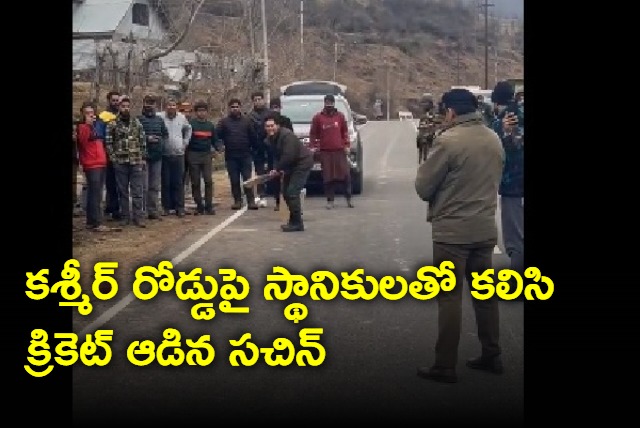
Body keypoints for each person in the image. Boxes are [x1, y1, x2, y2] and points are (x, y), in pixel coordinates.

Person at [414, 88, 505, 383]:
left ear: (451, 112)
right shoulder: (493, 138)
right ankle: (492, 354)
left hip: (452, 233)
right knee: (485, 296)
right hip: (485, 230)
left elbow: (424, 187)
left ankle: (444, 365)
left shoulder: (448, 142)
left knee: (449, 298)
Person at [491, 81, 524, 279]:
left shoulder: (504, 119)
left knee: (515, 238)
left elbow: (504, 146)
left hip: (513, 185)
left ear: (497, 102)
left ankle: (518, 282)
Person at [265, 112, 313, 232]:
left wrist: (277, 169)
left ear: (278, 126)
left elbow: (288, 155)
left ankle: (298, 223)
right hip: (290, 165)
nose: (270, 128)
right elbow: (276, 157)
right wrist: (275, 168)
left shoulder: (287, 135)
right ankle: (292, 220)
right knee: (285, 192)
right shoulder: (270, 139)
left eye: (272, 125)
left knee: (292, 191)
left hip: (302, 163)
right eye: (268, 126)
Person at [105, 95, 147, 228]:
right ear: (119, 107)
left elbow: (142, 140)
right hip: (120, 162)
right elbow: (108, 142)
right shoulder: (112, 123)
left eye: (128, 106)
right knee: (122, 191)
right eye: (123, 106)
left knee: (137, 191)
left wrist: (143, 158)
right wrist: (114, 159)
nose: (125, 108)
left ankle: (138, 217)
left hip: (135, 161)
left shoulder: (136, 122)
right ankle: (125, 217)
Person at [309, 94, 354, 209]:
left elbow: (345, 132)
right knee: (328, 178)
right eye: (327, 103)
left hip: (339, 151)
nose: (329, 105)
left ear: (334, 103)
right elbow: (313, 134)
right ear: (324, 103)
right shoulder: (318, 118)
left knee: (345, 176)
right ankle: (330, 200)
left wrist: (347, 145)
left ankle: (348, 198)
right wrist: (313, 146)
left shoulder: (340, 116)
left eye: (331, 103)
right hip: (325, 152)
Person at [216, 98, 259, 210]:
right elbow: (217, 136)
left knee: (247, 179)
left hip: (245, 155)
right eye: (232, 107)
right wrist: (220, 147)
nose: (235, 109)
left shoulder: (247, 121)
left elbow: (253, 137)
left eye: (237, 106)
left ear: (240, 107)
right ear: (229, 108)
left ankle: (251, 201)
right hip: (231, 157)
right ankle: (237, 201)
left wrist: (255, 151)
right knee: (234, 180)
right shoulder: (224, 122)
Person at [76, 102, 111, 232]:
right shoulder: (82, 127)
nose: (91, 115)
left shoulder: (97, 126)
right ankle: (96, 222)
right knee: (95, 194)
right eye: (87, 113)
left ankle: (91, 221)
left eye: (92, 113)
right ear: (83, 114)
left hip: (101, 162)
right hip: (91, 164)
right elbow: (83, 143)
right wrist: (87, 125)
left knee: (95, 193)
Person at [158, 98, 192, 217]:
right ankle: (166, 207)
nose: (171, 107)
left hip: (179, 154)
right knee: (166, 182)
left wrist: (185, 142)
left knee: (178, 182)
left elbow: (188, 129)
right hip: (164, 154)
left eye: (173, 105)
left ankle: (180, 207)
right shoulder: (160, 117)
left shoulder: (182, 117)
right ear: (165, 106)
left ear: (176, 107)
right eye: (169, 105)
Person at [138, 94, 169, 221]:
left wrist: (160, 141)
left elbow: (165, 135)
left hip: (157, 157)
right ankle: (142, 211)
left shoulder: (159, 120)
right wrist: (147, 138)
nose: (149, 105)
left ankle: (153, 210)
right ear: (144, 104)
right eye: (147, 102)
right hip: (143, 157)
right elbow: (134, 137)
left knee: (155, 186)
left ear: (155, 105)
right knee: (143, 186)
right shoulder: (138, 119)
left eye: (152, 103)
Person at [187, 101, 219, 215]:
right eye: (199, 111)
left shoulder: (210, 125)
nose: (202, 113)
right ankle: (199, 205)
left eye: (204, 110)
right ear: (196, 112)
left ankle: (209, 206)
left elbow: (215, 140)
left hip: (206, 155)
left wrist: (219, 148)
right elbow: (187, 140)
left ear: (207, 112)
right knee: (195, 182)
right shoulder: (191, 124)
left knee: (208, 180)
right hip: (193, 155)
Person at [95, 91, 122, 220]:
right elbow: (100, 136)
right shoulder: (103, 116)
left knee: (119, 183)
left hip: (122, 154)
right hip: (109, 154)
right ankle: (113, 209)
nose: (116, 102)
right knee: (111, 183)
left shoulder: (121, 114)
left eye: (118, 100)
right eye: (114, 100)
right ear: (109, 101)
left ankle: (113, 207)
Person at [267, 97, 293, 211]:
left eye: (277, 107)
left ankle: (288, 202)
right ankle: (277, 201)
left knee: (287, 178)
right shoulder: (267, 121)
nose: (275, 110)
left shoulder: (286, 121)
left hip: (285, 152)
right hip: (273, 153)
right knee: (274, 178)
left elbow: (291, 135)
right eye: (273, 107)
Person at [248, 91, 271, 202]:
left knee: (273, 170)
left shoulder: (270, 114)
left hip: (271, 147)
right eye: (255, 100)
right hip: (257, 148)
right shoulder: (250, 116)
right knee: (260, 172)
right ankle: (261, 194)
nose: (257, 102)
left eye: (259, 99)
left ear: (263, 100)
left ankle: (277, 194)